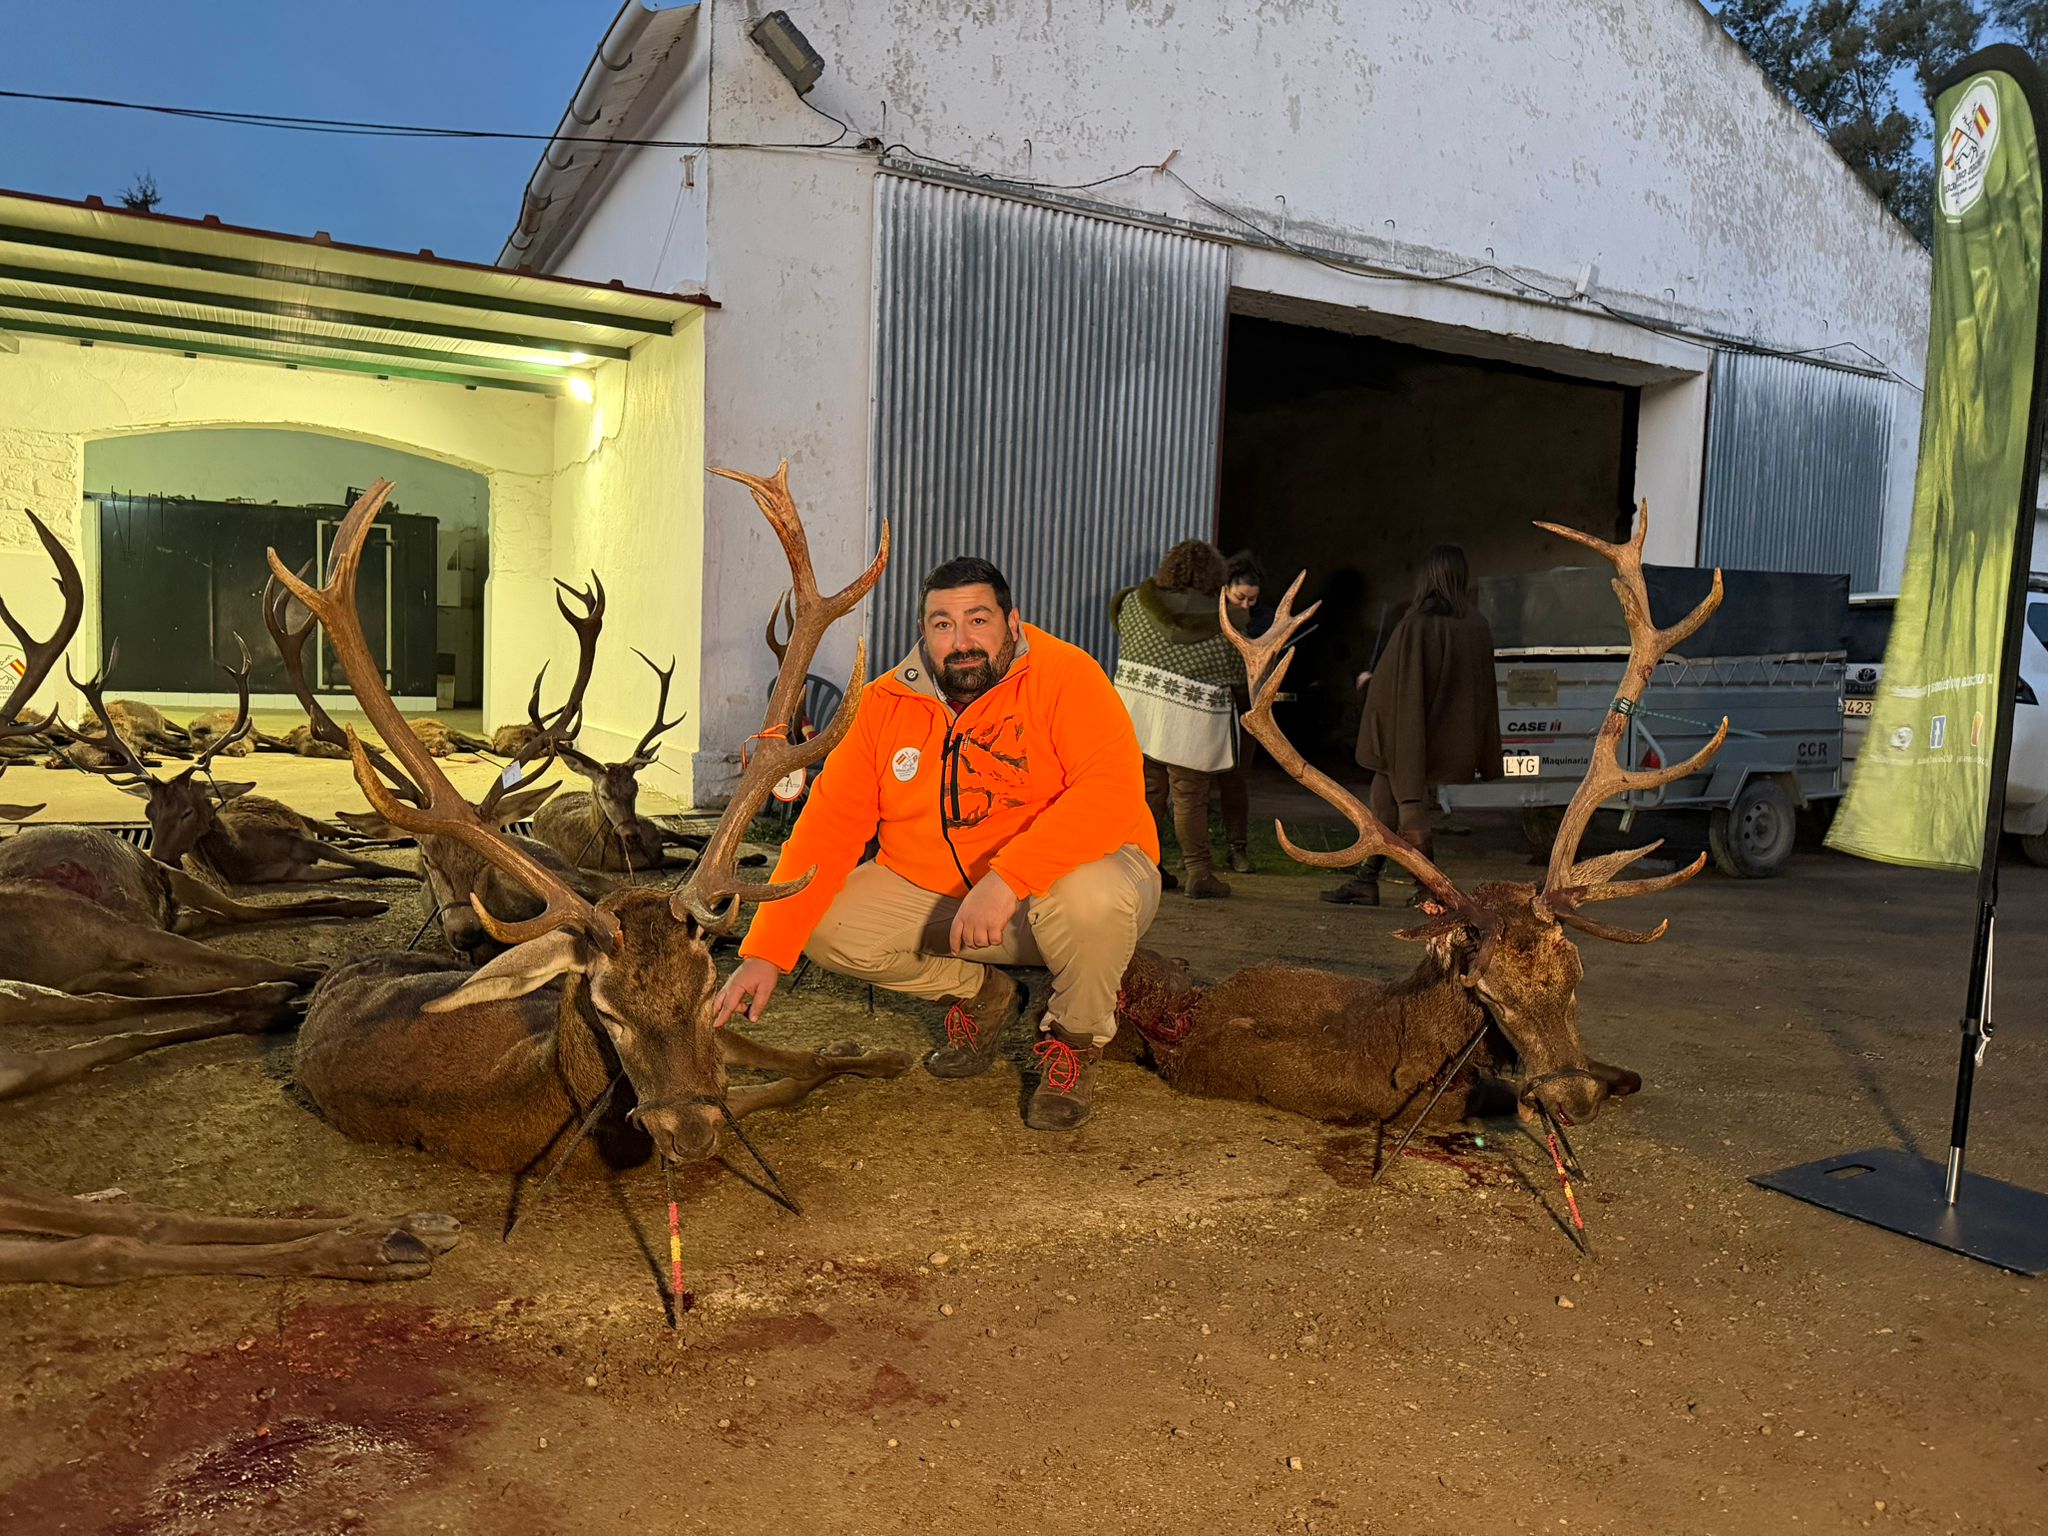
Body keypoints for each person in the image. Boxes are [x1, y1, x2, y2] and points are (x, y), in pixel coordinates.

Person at [712, 556, 1161, 1132]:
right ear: (922, 630)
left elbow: (1110, 794)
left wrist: (1006, 880)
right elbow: (827, 828)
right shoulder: (882, 704)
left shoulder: (1067, 675)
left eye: (979, 620)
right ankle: (984, 995)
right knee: (824, 925)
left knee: (1092, 897)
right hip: (956, 901)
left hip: (1071, 885)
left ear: (1012, 623)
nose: (962, 641)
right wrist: (766, 952)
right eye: (943, 624)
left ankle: (1073, 1043)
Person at [1323, 544, 1501, 906]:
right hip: (1443, 732)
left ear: (1428, 578)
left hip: (1409, 729)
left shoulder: (1415, 623)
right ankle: (1367, 879)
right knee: (1384, 794)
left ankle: (1430, 888)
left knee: (1408, 798)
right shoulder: (1476, 624)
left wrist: (1368, 684)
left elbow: (1395, 687)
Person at [1111, 540, 1245, 899]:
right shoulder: (1229, 619)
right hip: (1193, 719)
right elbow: (1237, 673)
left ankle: (1145, 867)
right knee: (1190, 796)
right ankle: (1199, 873)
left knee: (1148, 791)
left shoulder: (1134, 603)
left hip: (1138, 711)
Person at [1217, 549, 1272, 875]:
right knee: (1195, 784)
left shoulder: (1262, 619)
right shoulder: (1211, 617)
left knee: (1236, 779)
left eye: (1252, 600)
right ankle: (1194, 852)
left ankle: (1237, 849)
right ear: (1225, 590)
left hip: (1243, 705)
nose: (1246, 606)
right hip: (1211, 702)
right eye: (1240, 598)